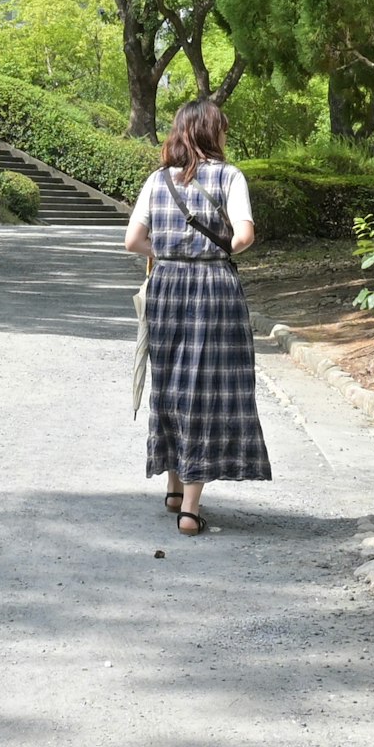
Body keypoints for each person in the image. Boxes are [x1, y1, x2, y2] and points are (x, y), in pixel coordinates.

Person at [125, 97, 270, 532]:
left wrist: (168, 254)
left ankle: (173, 490)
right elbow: (243, 236)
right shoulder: (229, 176)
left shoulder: (156, 180)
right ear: (211, 132)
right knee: (206, 388)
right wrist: (215, 249)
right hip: (213, 290)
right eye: (222, 128)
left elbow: (132, 241)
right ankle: (190, 509)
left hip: (166, 288)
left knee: (169, 382)